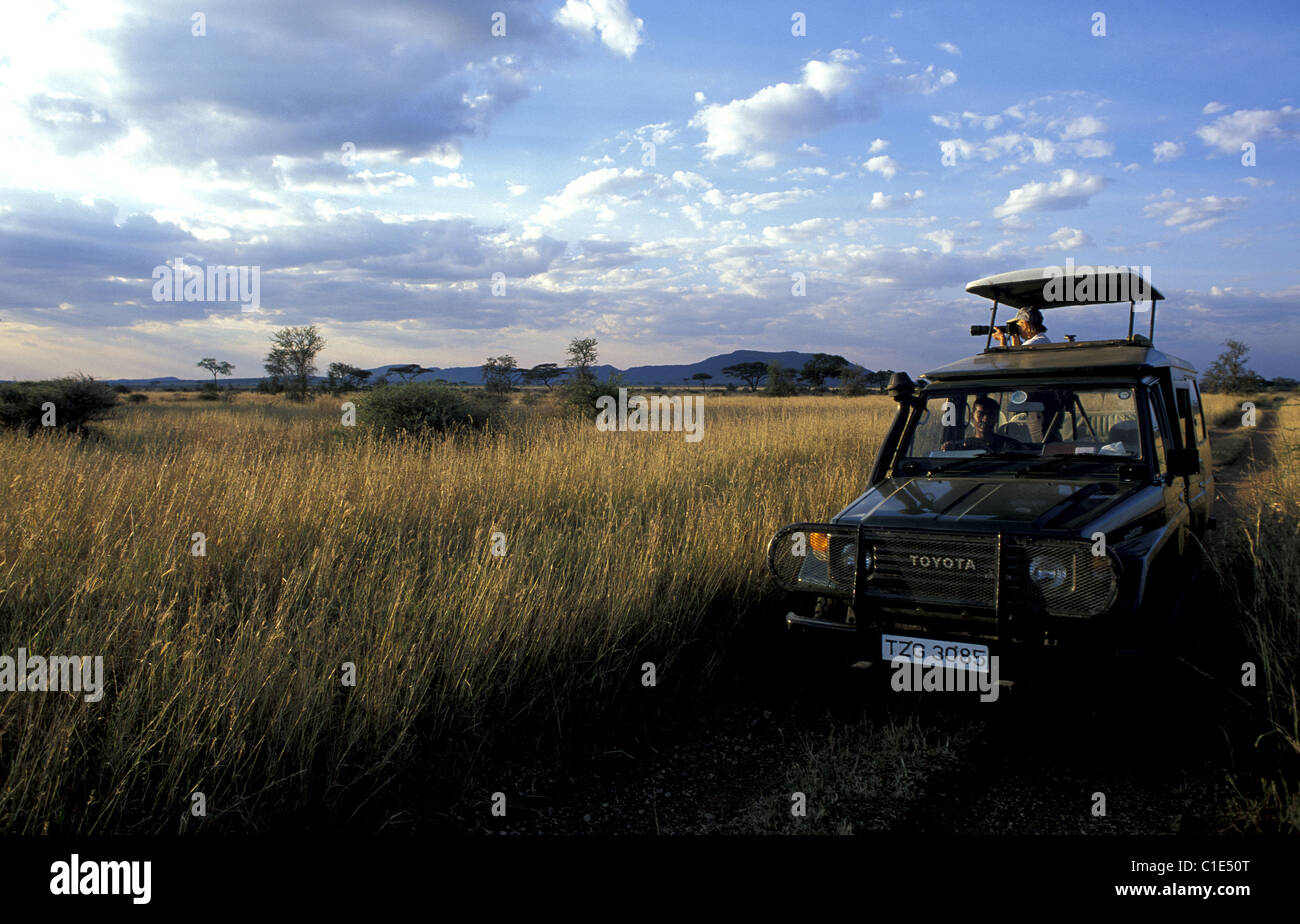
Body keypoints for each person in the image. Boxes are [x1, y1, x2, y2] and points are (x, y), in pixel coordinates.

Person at [942, 395, 1024, 452]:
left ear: (996, 418)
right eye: (981, 414)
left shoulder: (1009, 445)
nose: (985, 419)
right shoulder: (964, 445)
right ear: (972, 416)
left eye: (991, 415)